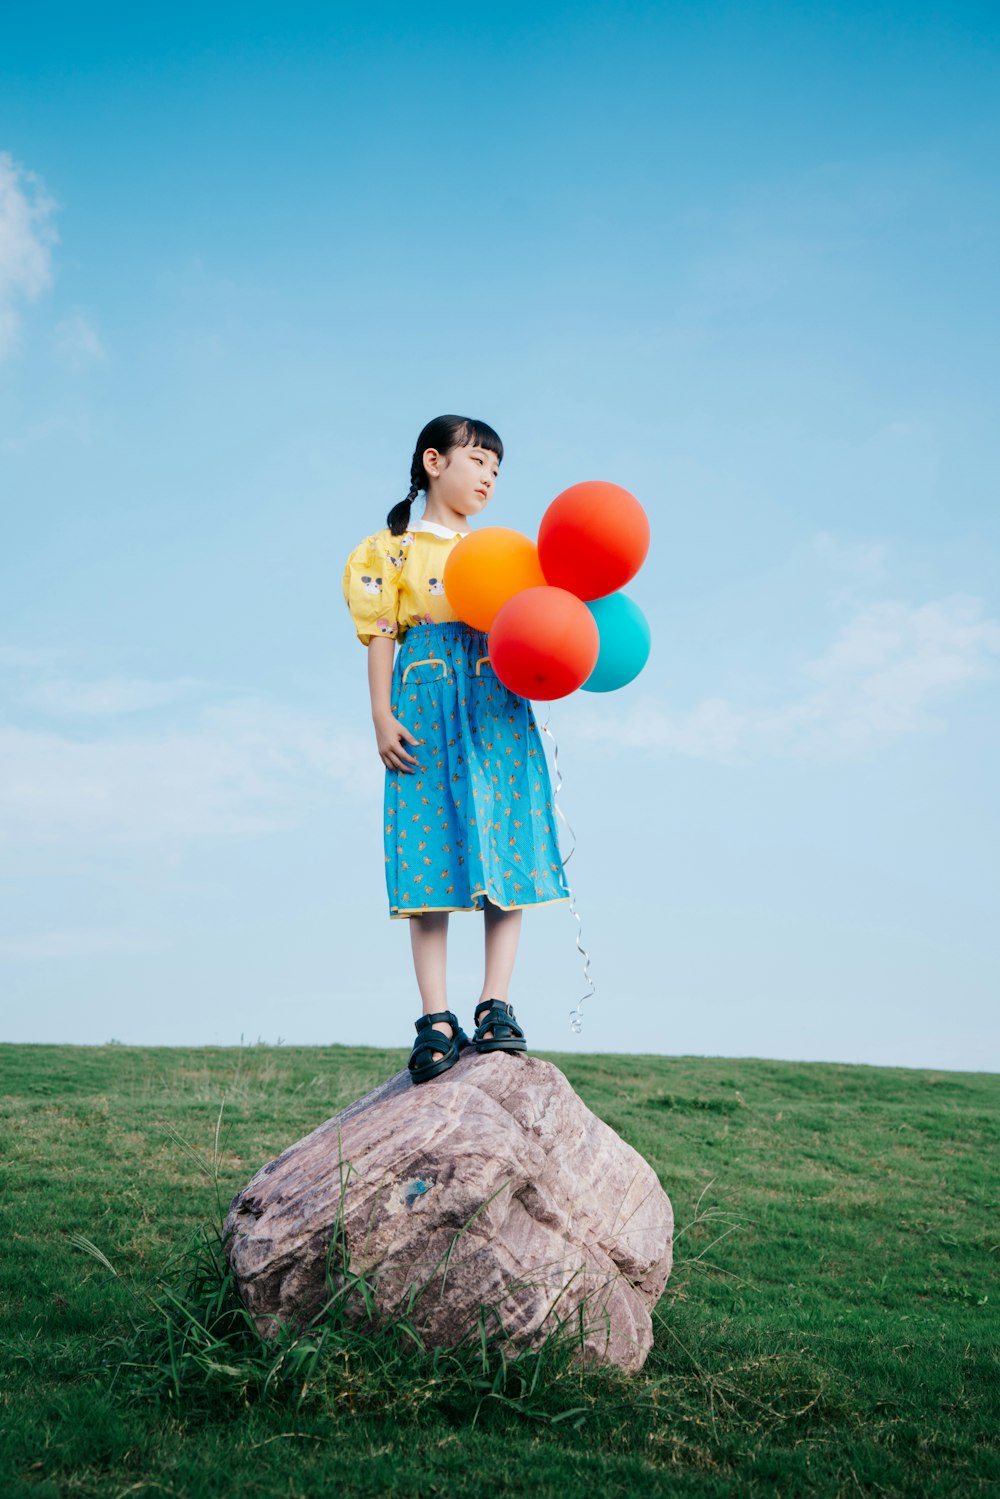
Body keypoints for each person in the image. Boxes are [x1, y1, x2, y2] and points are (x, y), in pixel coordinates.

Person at [342, 415, 571, 1084]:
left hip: (495, 701)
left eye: (498, 470)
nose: (489, 477)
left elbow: (537, 626)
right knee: (429, 851)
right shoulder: (389, 549)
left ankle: (495, 1001)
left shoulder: (506, 551)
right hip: (425, 700)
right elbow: (382, 633)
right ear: (435, 461)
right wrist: (381, 715)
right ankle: (435, 1016)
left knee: (507, 840)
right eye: (479, 462)